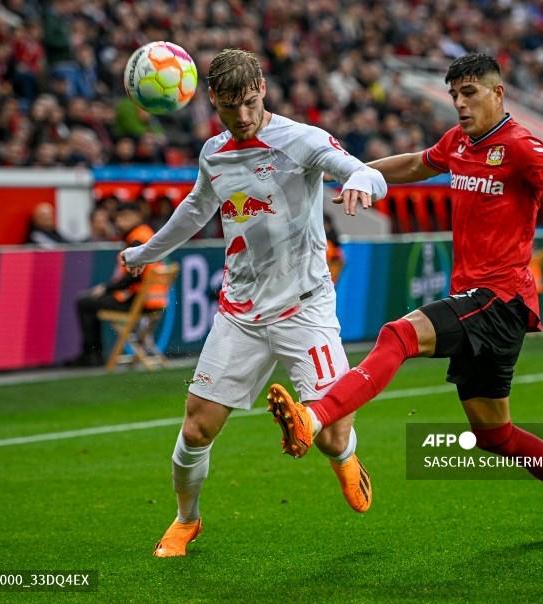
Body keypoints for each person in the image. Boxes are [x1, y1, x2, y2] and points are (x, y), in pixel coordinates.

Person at [268, 53, 543, 531]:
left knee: (399, 335)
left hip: (500, 298)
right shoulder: (458, 142)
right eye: (454, 95)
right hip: (482, 304)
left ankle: (314, 418)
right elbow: (415, 164)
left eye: (470, 94)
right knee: (495, 434)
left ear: (497, 93)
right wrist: (351, 170)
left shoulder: (521, 146)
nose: (460, 104)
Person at [118, 49, 387, 557]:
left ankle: (346, 459)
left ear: (262, 88)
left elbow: (366, 173)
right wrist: (145, 252)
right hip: (240, 313)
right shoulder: (214, 153)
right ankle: (186, 520)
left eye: (249, 102)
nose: (242, 116)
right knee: (196, 426)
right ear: (211, 100)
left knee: (331, 437)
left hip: (304, 308)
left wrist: (357, 179)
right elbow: (196, 208)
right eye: (229, 107)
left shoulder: (300, 139)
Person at [67, 202, 166, 367]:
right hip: (154, 302)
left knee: (85, 302)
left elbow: (133, 277)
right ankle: (93, 354)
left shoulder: (137, 239)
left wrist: (105, 288)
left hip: (139, 302)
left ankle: (92, 355)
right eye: (118, 218)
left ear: (137, 216)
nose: (119, 222)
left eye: (124, 217)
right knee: (91, 301)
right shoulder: (147, 233)